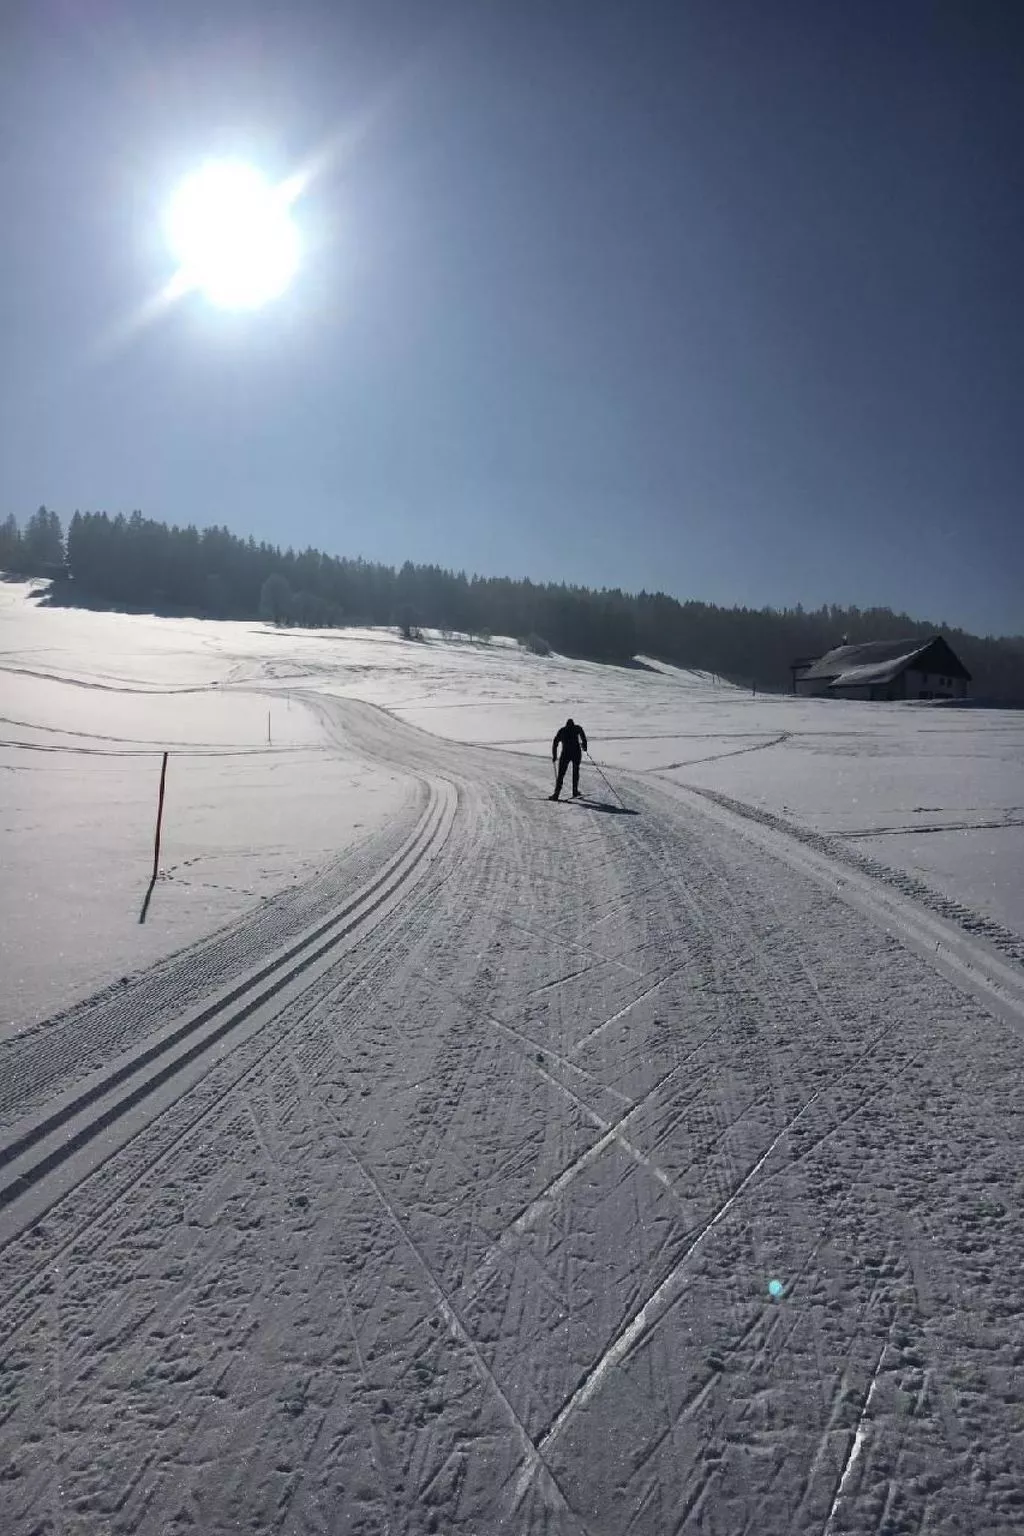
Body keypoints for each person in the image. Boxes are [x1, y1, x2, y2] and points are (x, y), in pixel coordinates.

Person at [550, 717, 588, 800]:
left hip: (566, 754)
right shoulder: (577, 728)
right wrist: (584, 747)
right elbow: (583, 738)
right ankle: (575, 791)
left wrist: (555, 756)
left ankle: (556, 794)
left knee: (561, 774)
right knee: (575, 772)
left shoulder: (562, 730)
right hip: (576, 753)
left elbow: (555, 742)